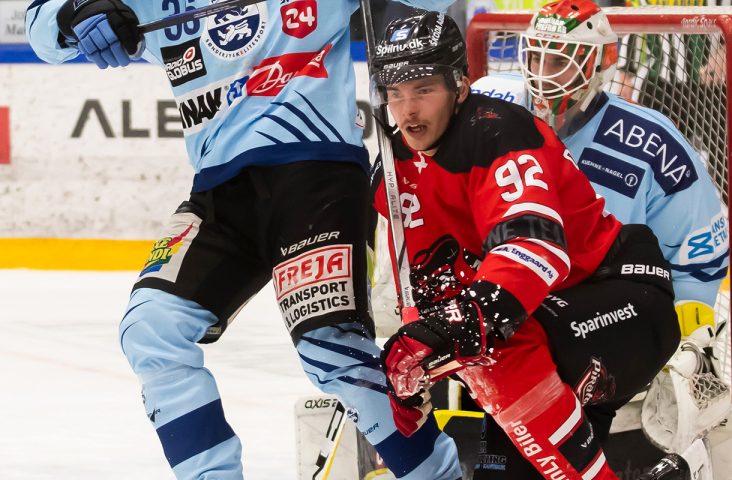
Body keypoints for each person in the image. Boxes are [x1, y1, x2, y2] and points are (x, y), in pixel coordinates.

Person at [25, 1, 465, 479]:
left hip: (316, 174)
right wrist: (77, 13)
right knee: (151, 329)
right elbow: (42, 30)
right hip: (219, 192)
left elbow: (429, 8)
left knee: (329, 347)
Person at [369, 11, 680, 480]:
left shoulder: (497, 132)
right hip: (548, 324)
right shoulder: (396, 171)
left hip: (623, 299)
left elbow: (535, 251)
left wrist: (438, 337)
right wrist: (412, 362)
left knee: (490, 342)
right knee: (503, 472)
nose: (408, 110)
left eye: (423, 90)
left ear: (460, 85)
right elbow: (435, 284)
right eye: (396, 94)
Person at [467, 0, 731, 477]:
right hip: (511, 308)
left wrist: (693, 341)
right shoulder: (489, 108)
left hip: (600, 317)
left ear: (601, 62)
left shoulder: (652, 142)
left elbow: (698, 254)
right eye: (538, 57)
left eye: (561, 58)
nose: (546, 74)